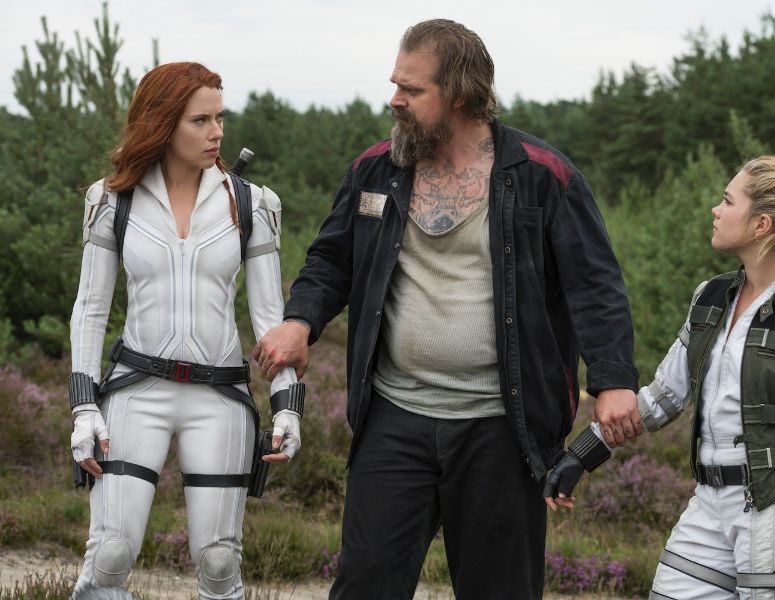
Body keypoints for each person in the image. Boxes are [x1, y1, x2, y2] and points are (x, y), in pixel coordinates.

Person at [253, 18, 640, 599]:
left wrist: (613, 381)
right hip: (393, 418)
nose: (395, 99)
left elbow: (596, 284)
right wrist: (299, 321)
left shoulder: (543, 176)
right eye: (395, 84)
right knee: (364, 587)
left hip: (503, 429)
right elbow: (331, 260)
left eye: (412, 89)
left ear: (459, 93)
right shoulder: (375, 169)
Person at [546, 155, 775, 599]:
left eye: (728, 201)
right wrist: (582, 454)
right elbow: (662, 398)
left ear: (761, 225)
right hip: (708, 503)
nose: (715, 209)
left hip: (774, 511)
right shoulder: (710, 298)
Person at [68, 62, 303, 600]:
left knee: (219, 562)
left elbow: (271, 319)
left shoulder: (252, 204)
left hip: (219, 398)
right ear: (163, 123)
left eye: (220, 118)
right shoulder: (112, 200)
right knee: (109, 554)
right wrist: (83, 407)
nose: (217, 132)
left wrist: (288, 405)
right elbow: (90, 310)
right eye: (200, 120)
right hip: (135, 391)